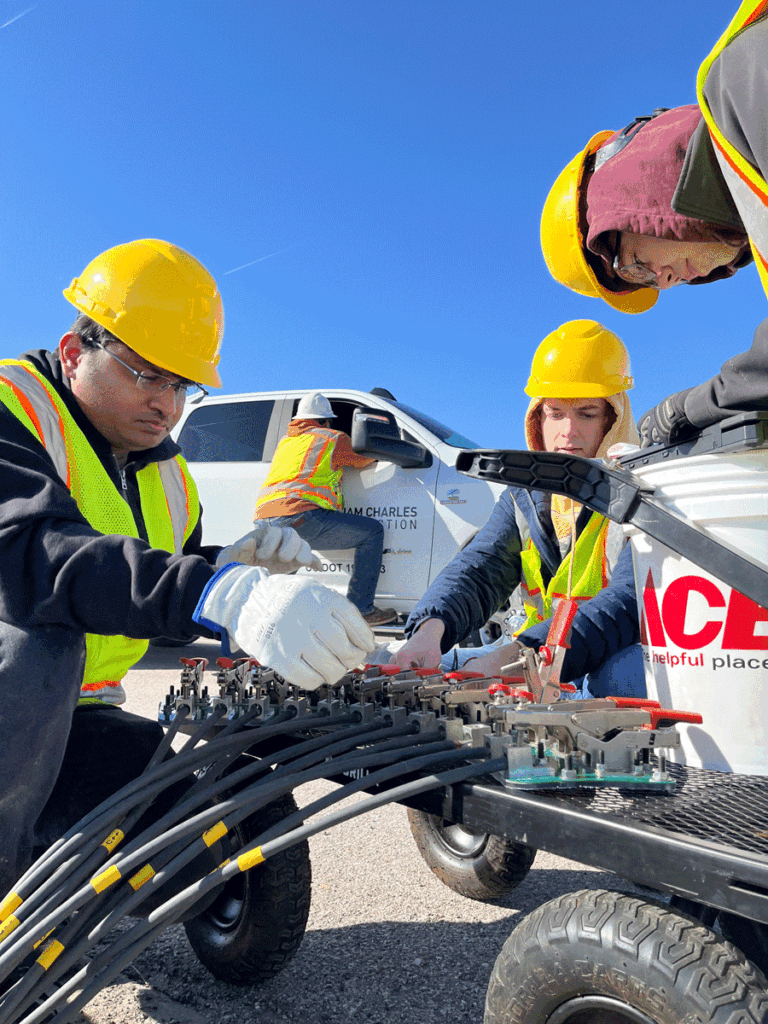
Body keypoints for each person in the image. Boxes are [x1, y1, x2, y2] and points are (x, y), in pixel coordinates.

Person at [0, 239, 374, 896]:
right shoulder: (14, 406)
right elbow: (31, 556)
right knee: (40, 639)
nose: (168, 406)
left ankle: (41, 871)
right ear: (73, 352)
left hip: (74, 717)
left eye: (179, 384)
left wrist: (224, 564)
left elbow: (153, 600)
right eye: (147, 375)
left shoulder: (171, 476)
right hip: (18, 700)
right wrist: (217, 590)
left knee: (187, 847)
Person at [540, 1, 768, 447]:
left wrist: (694, 407)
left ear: (627, 196)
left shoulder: (742, 82)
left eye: (635, 265)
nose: (664, 282)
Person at [395, 320, 644, 699]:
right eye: (555, 413)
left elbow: (627, 603)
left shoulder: (643, 491)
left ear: (614, 418)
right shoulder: (523, 497)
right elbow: (481, 568)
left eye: (587, 413)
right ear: (536, 419)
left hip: (594, 660)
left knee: (621, 676)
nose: (568, 431)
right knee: (440, 663)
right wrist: (428, 631)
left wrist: (515, 657)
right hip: (537, 656)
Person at [254, 391, 397, 627]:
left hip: (264, 519)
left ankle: (264, 621)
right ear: (325, 421)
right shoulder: (332, 438)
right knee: (372, 532)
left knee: (285, 570)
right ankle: (361, 609)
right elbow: (365, 459)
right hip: (299, 515)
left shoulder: (285, 442)